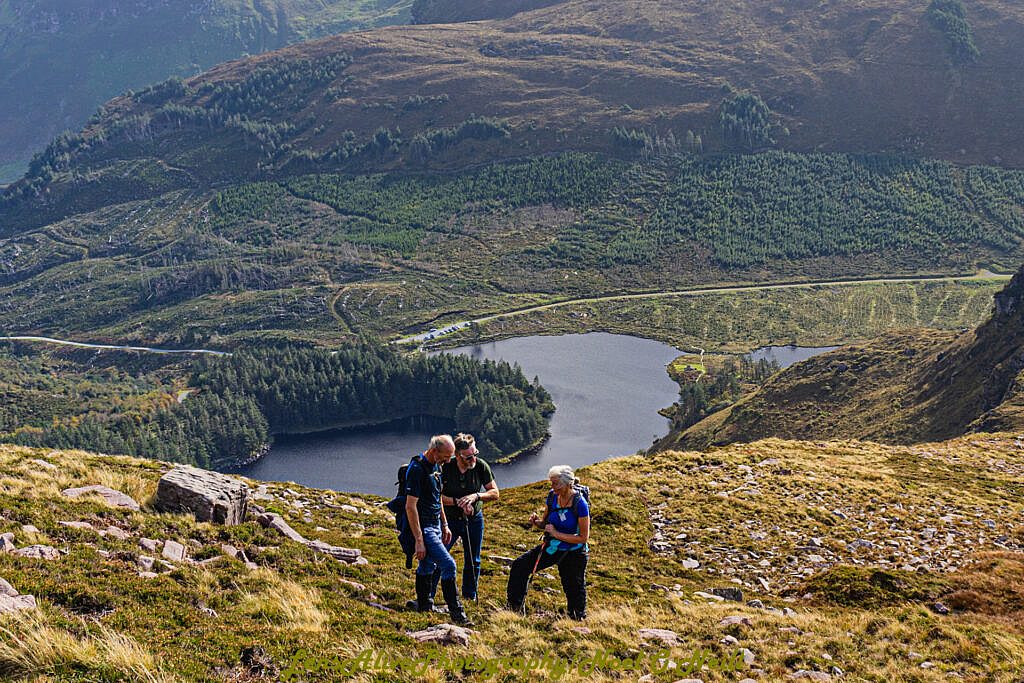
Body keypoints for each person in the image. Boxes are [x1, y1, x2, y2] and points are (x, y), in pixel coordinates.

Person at [506, 465, 590, 620]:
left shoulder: (580, 504)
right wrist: (537, 522)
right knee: (520, 566)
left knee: (573, 587)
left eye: (556, 483)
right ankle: (514, 609)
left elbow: (583, 538)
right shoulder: (552, 497)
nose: (552, 487)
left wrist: (556, 533)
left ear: (567, 484)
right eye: (551, 483)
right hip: (552, 547)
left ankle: (577, 619)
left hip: (574, 552)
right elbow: (546, 523)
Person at [404, 434, 472, 625]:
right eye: (446, 456)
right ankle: (457, 614)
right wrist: (418, 539)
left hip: (435, 525)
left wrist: (444, 524)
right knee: (448, 565)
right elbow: (411, 507)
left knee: (428, 565)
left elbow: (438, 498)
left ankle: (424, 605)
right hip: (424, 528)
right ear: (434, 451)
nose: (448, 460)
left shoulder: (437, 467)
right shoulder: (417, 470)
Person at [430, 433, 499, 602]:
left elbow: (495, 493)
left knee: (473, 559)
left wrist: (476, 496)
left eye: (475, 454)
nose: (473, 459)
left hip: (474, 519)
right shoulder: (445, 467)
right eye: (468, 456)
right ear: (457, 455)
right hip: (450, 521)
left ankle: (469, 596)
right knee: (441, 556)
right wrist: (457, 502)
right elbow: (436, 496)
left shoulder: (481, 466)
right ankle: (429, 594)